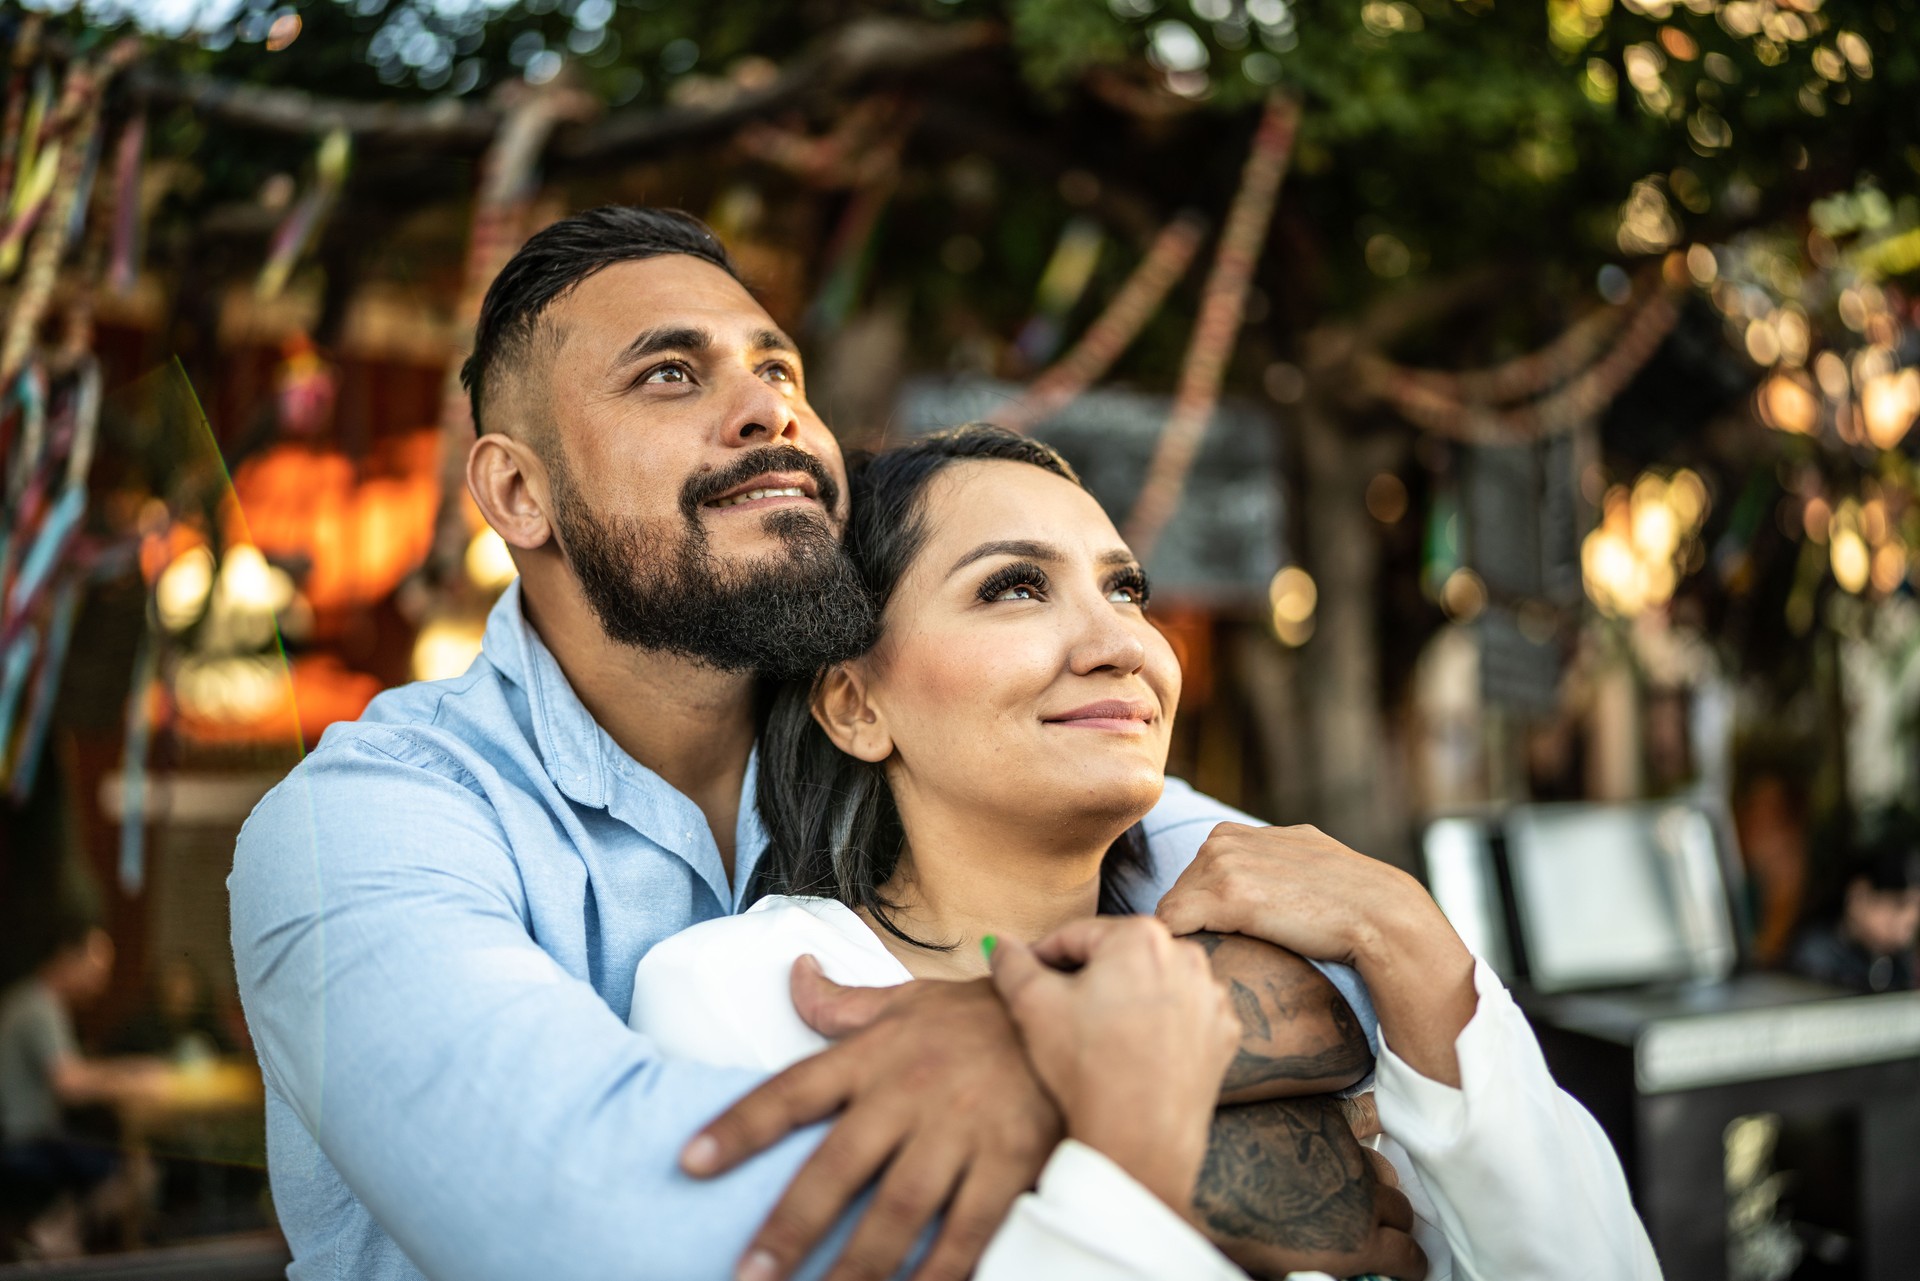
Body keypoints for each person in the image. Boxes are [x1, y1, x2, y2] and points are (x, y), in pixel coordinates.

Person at [229, 206, 1389, 1281]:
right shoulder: (357, 829)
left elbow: (1331, 942)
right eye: (671, 374)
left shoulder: (917, 721)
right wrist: (1085, 1081)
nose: (769, 410)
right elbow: (612, 1219)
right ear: (519, 493)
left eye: (778, 367)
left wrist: (1011, 1041)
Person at [633, 426, 1664, 1281]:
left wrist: (1408, 933)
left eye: (1125, 589)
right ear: (856, 704)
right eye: (1014, 589)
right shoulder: (753, 996)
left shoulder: (1300, 962)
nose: (1121, 641)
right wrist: (1178, 1202)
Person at [0, 926, 163, 1259]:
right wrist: (132, 1074)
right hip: (24, 1141)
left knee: (120, 1161)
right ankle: (50, 1240)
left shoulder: (33, 1000)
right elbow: (70, 1084)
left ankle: (53, 1234)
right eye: (96, 970)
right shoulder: (39, 1006)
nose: (100, 983)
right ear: (68, 958)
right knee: (136, 1172)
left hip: (27, 1136)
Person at [1791, 810, 1920, 994]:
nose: (1908, 920)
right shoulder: (1817, 956)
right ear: (1859, 896)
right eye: (1898, 905)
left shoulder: (1898, 961)